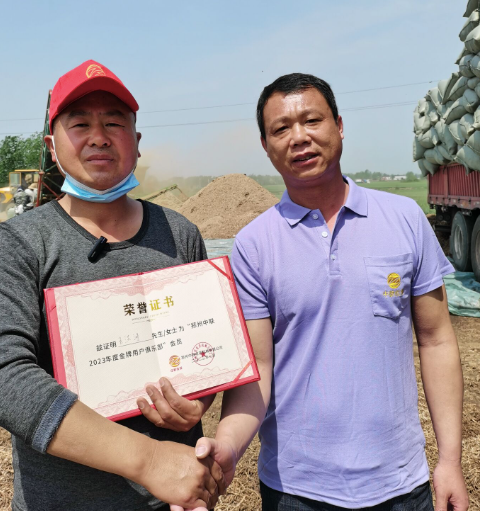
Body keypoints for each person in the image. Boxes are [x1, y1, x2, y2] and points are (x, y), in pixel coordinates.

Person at [195, 73, 469, 511]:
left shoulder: (404, 218)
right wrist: (227, 446)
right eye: (281, 129)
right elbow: (259, 367)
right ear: (266, 146)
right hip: (296, 489)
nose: (299, 137)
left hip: (401, 482)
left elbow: (436, 340)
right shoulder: (253, 245)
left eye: (312, 120)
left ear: (339, 126)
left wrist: (450, 461)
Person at [0, 60, 224, 511]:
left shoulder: (180, 233)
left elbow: (206, 343)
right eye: (80, 124)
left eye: (114, 122)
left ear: (136, 141)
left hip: (174, 499)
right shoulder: (20, 244)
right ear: (52, 146)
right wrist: (148, 460)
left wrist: (200, 402)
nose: (98, 136)